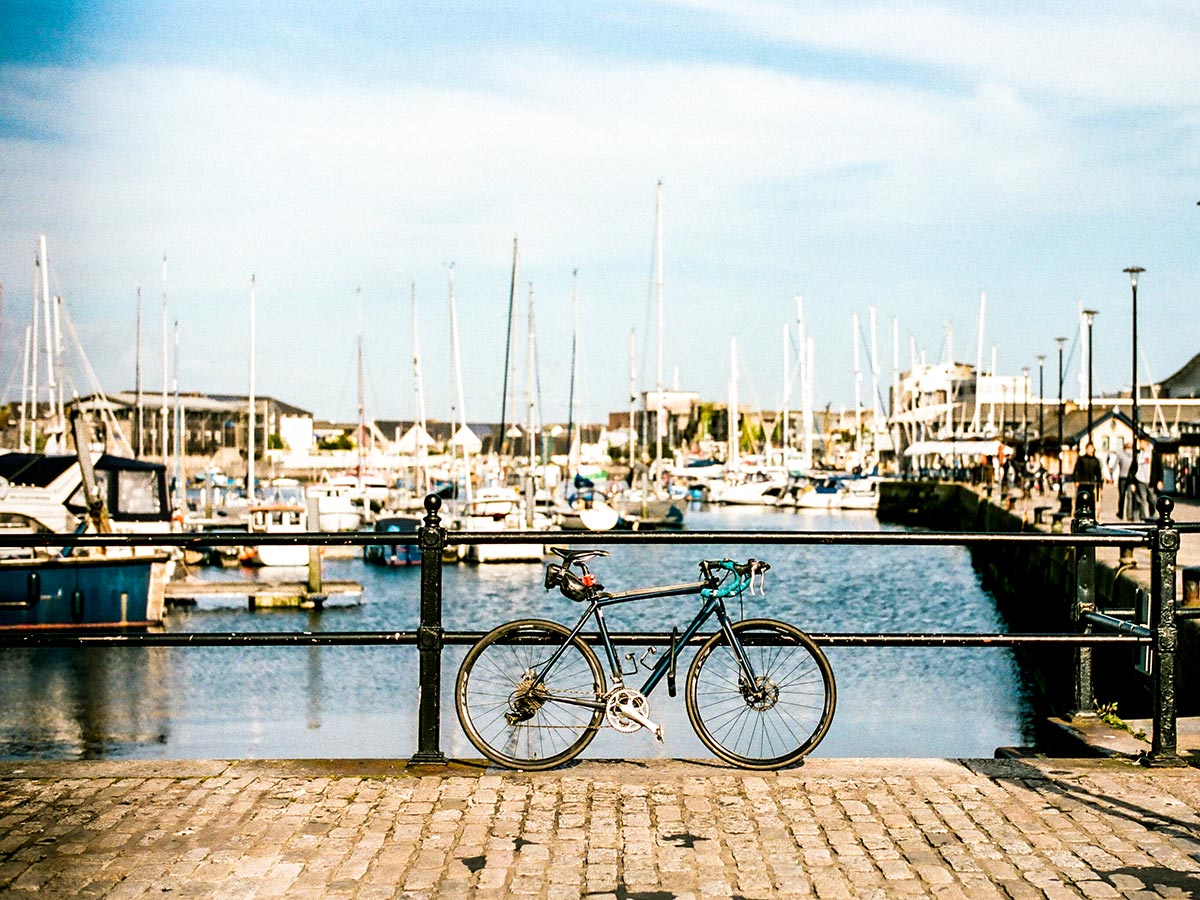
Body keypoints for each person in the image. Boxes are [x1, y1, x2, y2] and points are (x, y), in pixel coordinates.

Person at [1127, 436, 1161, 521]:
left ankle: (1153, 516)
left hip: (1151, 480)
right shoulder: (1138, 454)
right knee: (1142, 500)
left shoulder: (1154, 453)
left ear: (1145, 442)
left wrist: (1160, 480)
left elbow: (1159, 467)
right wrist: (1133, 483)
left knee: (1153, 499)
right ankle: (1145, 517)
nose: (1139, 444)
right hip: (1140, 480)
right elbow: (1133, 469)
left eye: (1141, 442)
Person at [1071, 443, 1104, 508]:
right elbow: (1077, 470)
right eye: (1088, 448)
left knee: (1091, 500)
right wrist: (1076, 480)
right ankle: (1079, 514)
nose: (1089, 450)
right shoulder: (1081, 459)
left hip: (1091, 483)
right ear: (1086, 449)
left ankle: (1091, 515)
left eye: (1091, 448)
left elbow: (1098, 474)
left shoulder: (1095, 461)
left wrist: (1100, 486)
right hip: (1082, 483)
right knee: (1081, 499)